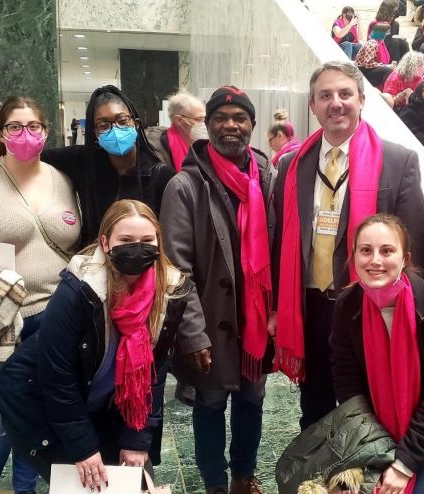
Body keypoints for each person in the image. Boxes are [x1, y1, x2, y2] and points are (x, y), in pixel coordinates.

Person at [271, 61, 424, 430]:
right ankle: (318, 483)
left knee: (371, 409)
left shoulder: (398, 160)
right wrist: (278, 306)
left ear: (361, 100)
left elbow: (413, 244)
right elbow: (282, 242)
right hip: (310, 306)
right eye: (325, 95)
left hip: (370, 305)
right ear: (312, 105)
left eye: (345, 94)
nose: (335, 103)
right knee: (315, 410)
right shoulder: (293, 165)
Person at [0, 199, 188, 484]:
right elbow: (57, 378)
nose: (137, 248)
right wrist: (83, 447)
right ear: (106, 244)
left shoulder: (168, 292)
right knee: (84, 481)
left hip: (105, 404)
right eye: (126, 240)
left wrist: (137, 438)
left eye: (147, 240)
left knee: (134, 481)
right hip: (42, 402)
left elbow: (153, 377)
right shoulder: (78, 291)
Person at [0, 96, 80, 494]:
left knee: (36, 421)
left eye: (34, 127)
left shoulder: (64, 179)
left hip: (56, 319)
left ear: (46, 132)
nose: (25, 135)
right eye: (14, 127)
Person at [160, 86, 275, 494]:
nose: (231, 125)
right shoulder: (185, 186)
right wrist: (192, 332)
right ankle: (214, 482)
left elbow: (278, 251)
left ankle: (243, 475)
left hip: (256, 319)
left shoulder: (266, 177)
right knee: (210, 405)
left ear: (252, 125)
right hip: (210, 320)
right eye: (221, 118)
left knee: (253, 400)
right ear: (207, 127)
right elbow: (176, 267)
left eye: (239, 118)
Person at [330, 214, 424, 493]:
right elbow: (347, 383)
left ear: (405, 258)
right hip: (375, 428)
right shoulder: (347, 307)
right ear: (354, 256)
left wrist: (403, 464)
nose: (375, 260)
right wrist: (370, 450)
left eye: (386, 251)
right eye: (365, 250)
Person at [0, 85, 176, 246]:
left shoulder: (162, 177)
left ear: (135, 124)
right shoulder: (84, 163)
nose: (115, 129)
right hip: (96, 283)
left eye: (121, 121)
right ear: (94, 133)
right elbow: (31, 151)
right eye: (103, 124)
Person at [145, 89, 207, 172]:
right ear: (179, 120)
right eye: (198, 119)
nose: (203, 124)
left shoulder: (204, 146)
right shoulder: (156, 150)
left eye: (204, 119)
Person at [354, 22, 394, 88]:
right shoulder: (372, 44)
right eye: (387, 32)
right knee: (388, 70)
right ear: (382, 33)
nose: (388, 34)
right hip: (364, 71)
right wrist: (385, 66)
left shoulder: (380, 42)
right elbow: (368, 63)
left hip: (373, 68)